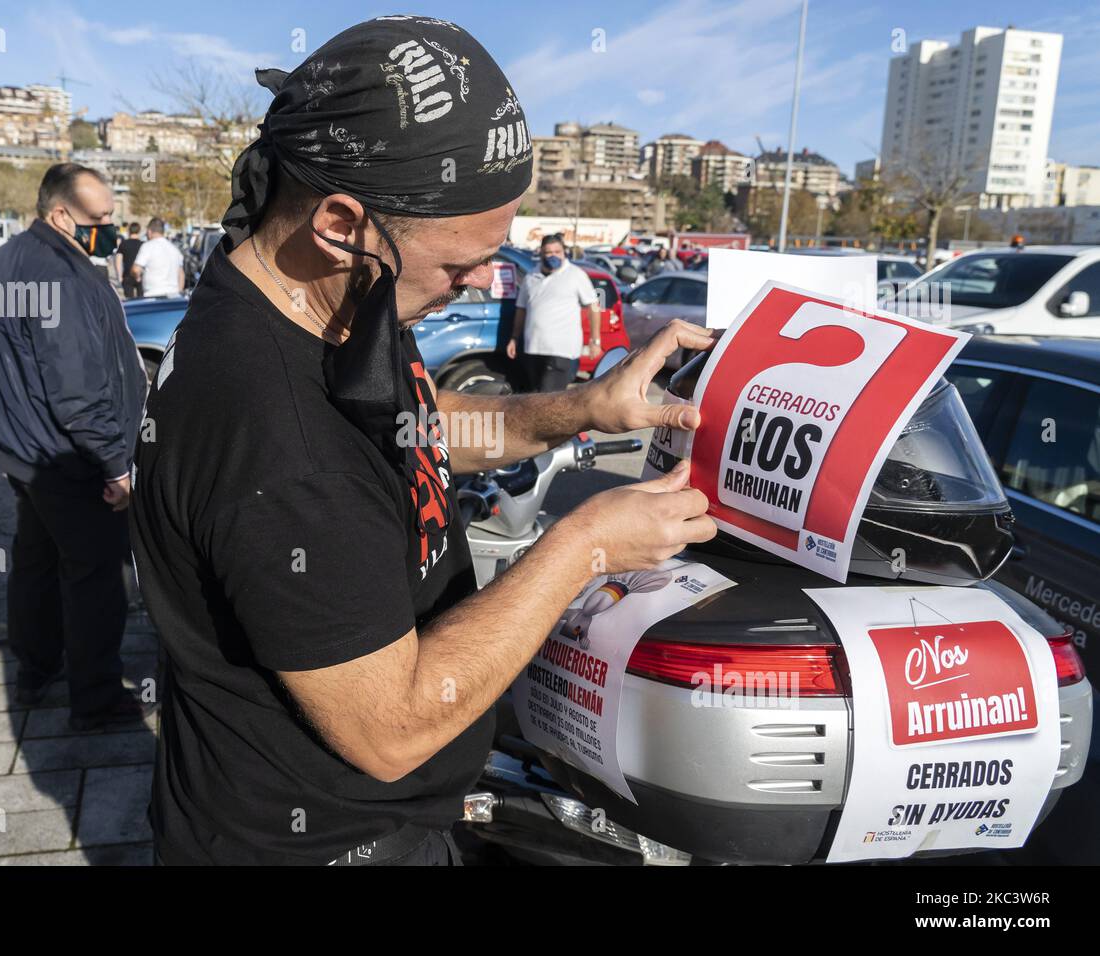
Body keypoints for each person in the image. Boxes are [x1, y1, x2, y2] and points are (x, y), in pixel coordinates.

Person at [130, 15, 716, 867]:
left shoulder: (326, 299)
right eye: (460, 264)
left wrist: (587, 408)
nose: (485, 280)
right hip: (321, 840)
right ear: (342, 222)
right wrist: (586, 544)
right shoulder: (276, 433)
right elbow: (391, 728)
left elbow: (417, 424)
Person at [0, 163, 150, 731]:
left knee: (37, 560)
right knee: (94, 573)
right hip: (62, 454)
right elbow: (77, 390)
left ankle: (35, 669)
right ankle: (94, 698)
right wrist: (116, 463)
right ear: (60, 213)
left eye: (113, 217)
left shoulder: (10, 257)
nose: (110, 228)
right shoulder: (61, 276)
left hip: (21, 448)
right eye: (100, 218)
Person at [506, 234, 602, 392]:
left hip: (561, 350)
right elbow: (521, 308)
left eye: (557, 251)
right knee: (534, 396)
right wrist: (514, 338)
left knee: (549, 397)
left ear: (564, 252)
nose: (553, 256)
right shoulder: (531, 277)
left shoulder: (576, 275)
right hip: (533, 348)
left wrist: (595, 340)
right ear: (541, 253)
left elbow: (593, 306)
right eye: (548, 252)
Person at [130, 217, 184, 297]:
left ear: (149, 231)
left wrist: (137, 277)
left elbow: (135, 270)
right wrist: (179, 292)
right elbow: (181, 274)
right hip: (174, 296)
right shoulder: (175, 249)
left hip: (152, 295)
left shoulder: (148, 246)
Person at [115, 222, 144, 298]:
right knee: (142, 300)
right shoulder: (143, 244)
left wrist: (119, 277)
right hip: (141, 275)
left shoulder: (124, 244)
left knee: (129, 301)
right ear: (139, 231)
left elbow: (118, 261)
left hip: (127, 275)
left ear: (129, 231)